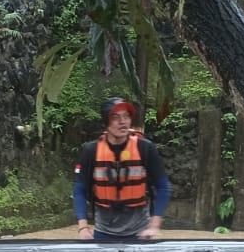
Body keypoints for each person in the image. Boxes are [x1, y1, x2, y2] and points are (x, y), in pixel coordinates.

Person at [72, 96, 170, 242]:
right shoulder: (91, 150)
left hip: (139, 232)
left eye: (126, 116)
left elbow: (163, 186)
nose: (122, 121)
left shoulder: (145, 148)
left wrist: (154, 225)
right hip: (103, 231)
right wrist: (83, 227)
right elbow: (79, 189)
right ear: (106, 122)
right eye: (116, 117)